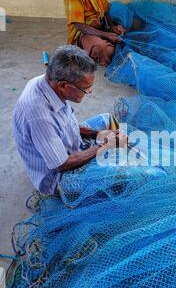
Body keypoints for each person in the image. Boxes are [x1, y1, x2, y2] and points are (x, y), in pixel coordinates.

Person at [12, 45, 127, 195]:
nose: (89, 93)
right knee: (121, 175)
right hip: (58, 177)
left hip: (69, 146)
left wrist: (97, 134)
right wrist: (104, 146)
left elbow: (64, 125)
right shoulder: (39, 116)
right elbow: (62, 164)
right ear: (63, 85)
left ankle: (110, 155)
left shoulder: (47, 82)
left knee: (107, 119)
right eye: (85, 89)